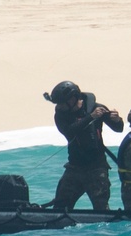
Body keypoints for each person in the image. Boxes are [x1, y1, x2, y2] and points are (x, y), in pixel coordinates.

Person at [44, 80, 123, 210]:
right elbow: (69, 131)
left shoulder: (96, 107)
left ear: (73, 99)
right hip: (74, 167)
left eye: (62, 103)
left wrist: (117, 119)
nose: (59, 106)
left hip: (97, 168)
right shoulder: (60, 115)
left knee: (101, 207)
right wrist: (91, 117)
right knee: (60, 206)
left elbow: (118, 128)